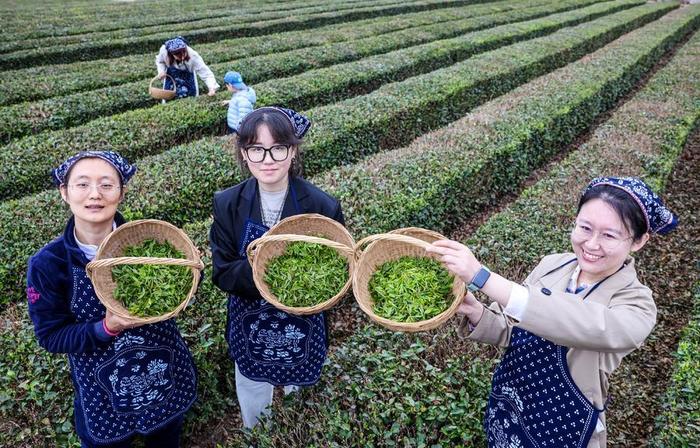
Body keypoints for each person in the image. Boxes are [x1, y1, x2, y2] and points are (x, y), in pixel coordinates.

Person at [426, 176, 677, 448]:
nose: (592, 244)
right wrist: (477, 312)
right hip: (514, 400)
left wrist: (483, 277)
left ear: (639, 241)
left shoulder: (637, 304)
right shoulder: (553, 266)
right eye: (585, 227)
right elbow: (513, 330)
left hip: (563, 422)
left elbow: (575, 322)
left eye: (609, 235)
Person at [26, 151, 197, 448]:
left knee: (166, 437)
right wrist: (106, 327)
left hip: (162, 373)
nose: (95, 194)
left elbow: (184, 284)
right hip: (102, 391)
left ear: (121, 192)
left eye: (106, 184)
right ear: (64, 193)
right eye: (82, 185)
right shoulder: (47, 264)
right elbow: (51, 336)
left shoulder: (151, 243)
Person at [209, 106, 344, 428]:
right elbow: (222, 270)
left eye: (277, 148)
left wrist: (300, 284)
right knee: (253, 384)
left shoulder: (321, 205)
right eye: (256, 149)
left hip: (304, 315)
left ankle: (296, 429)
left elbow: (338, 269)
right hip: (249, 316)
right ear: (244, 153)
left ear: (293, 150)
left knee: (300, 386)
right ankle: (257, 432)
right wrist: (266, 270)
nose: (267, 159)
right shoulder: (227, 202)